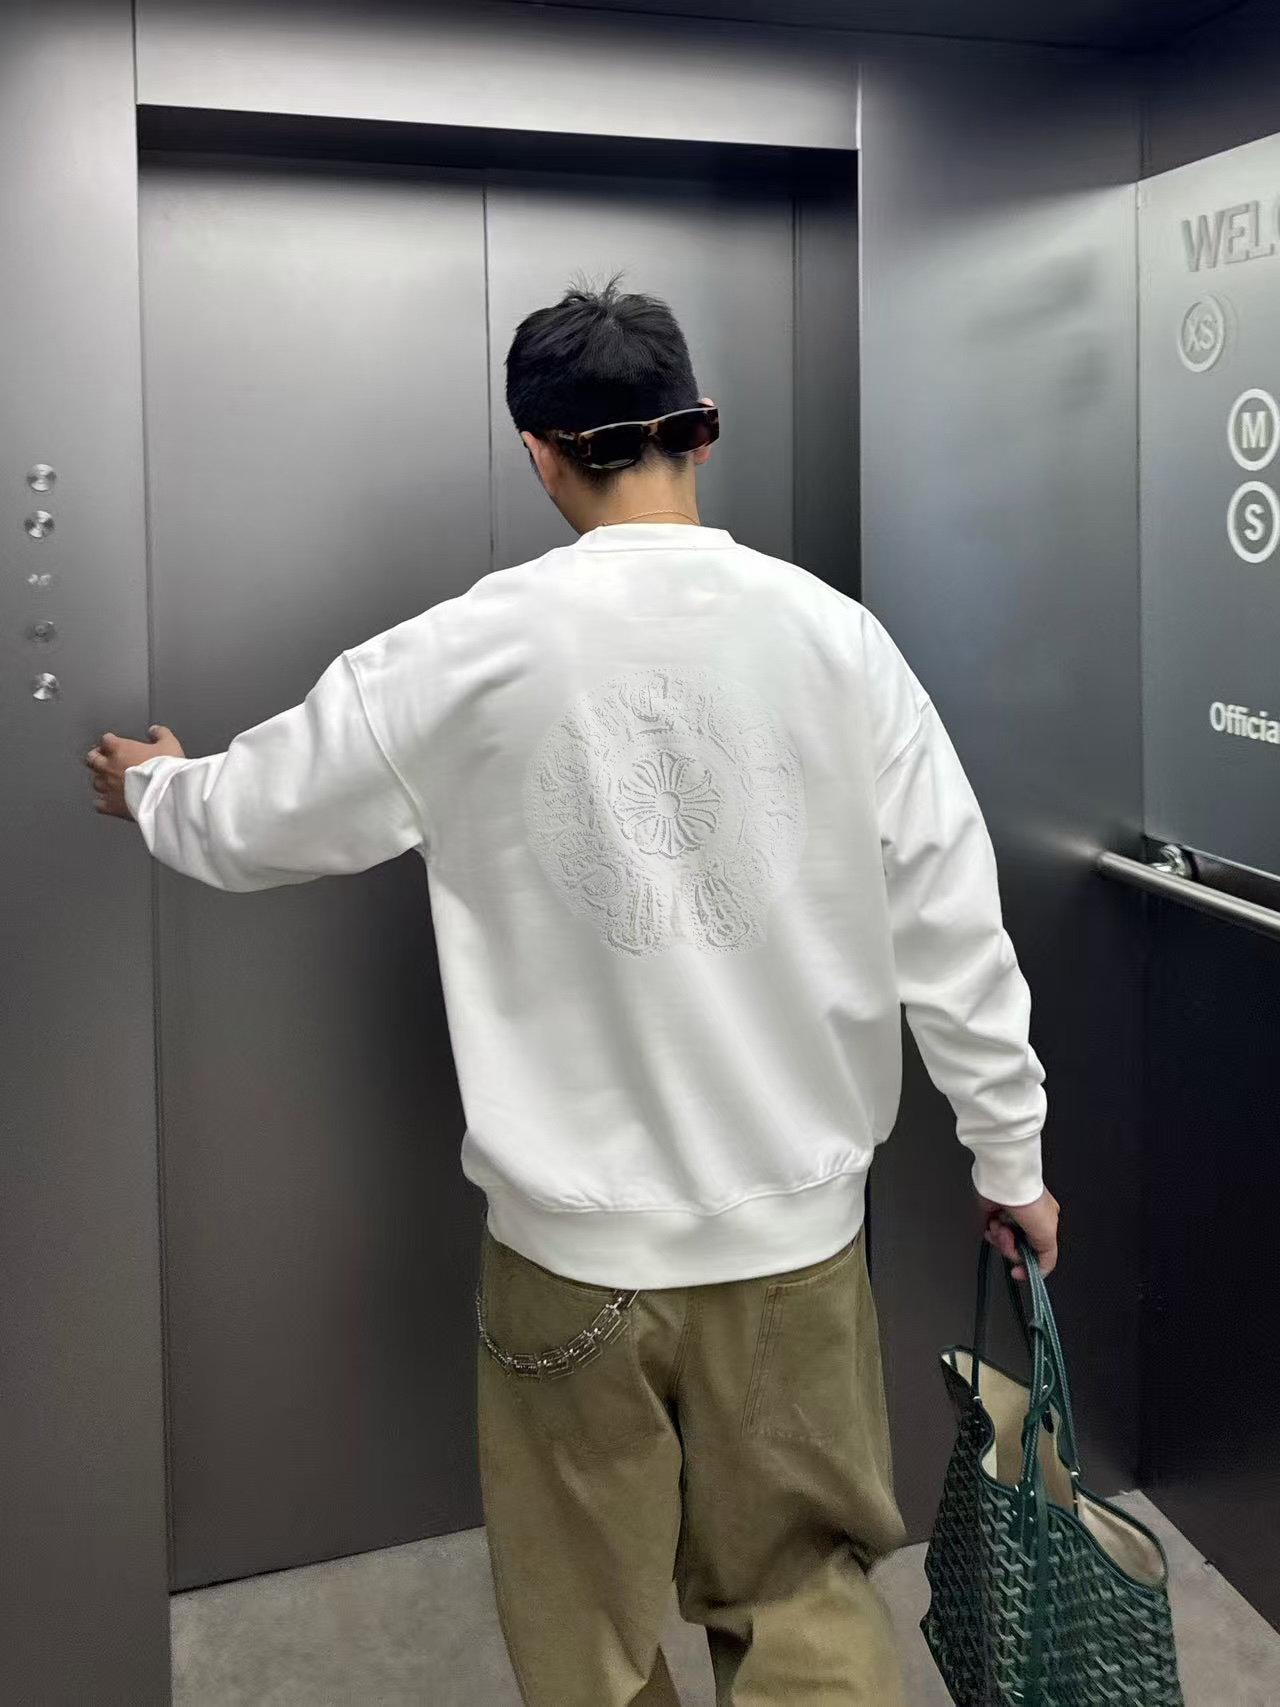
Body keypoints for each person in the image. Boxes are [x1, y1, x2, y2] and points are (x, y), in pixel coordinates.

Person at [88, 280, 1058, 1707]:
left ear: (541, 453)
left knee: (585, 1641)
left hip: (570, 1258)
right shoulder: (839, 644)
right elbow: (955, 927)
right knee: (804, 1602)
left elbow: (250, 819)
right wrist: (1010, 1159)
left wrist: (155, 788)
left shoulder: (458, 654)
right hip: (794, 1244)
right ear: (700, 431)